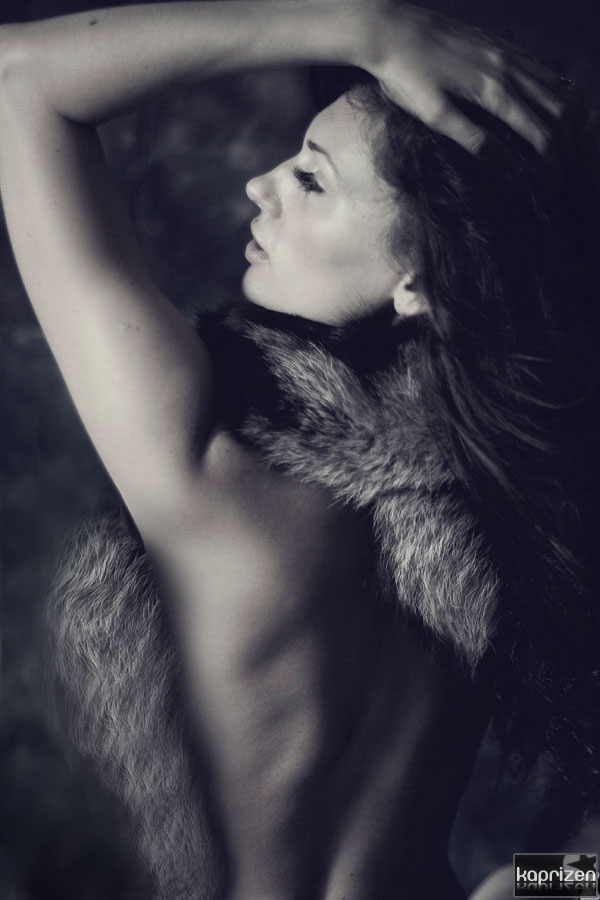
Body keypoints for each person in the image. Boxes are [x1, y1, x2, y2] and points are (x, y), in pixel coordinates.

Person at [0, 2, 598, 898]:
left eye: (313, 179)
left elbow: (20, 81)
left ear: (417, 281)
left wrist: (365, 26)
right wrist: (531, 884)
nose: (262, 185)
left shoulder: (210, 457)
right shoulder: (523, 507)